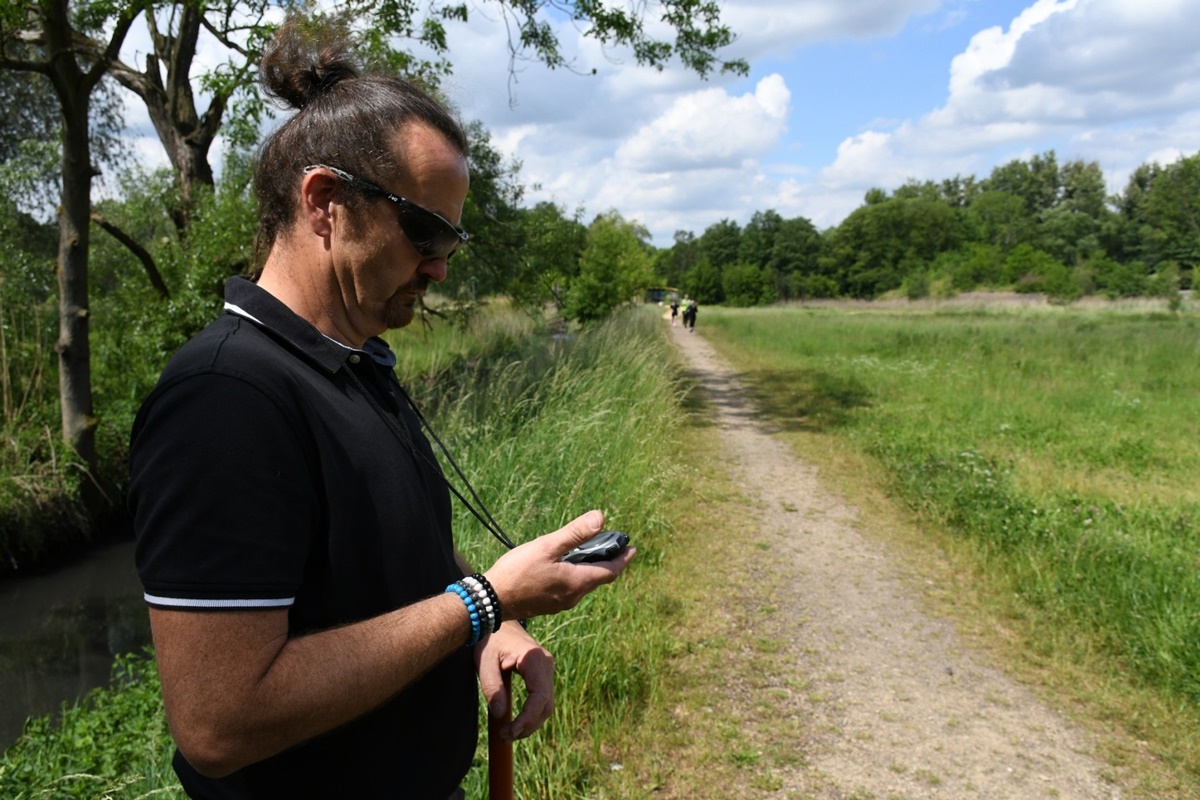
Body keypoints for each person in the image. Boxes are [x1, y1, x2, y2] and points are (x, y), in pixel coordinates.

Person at [128, 21, 634, 800]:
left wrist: (491, 625)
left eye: (451, 240)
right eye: (424, 229)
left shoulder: (355, 365)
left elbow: (398, 568)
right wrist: (485, 599)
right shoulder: (226, 398)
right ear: (325, 202)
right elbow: (219, 722)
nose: (438, 265)